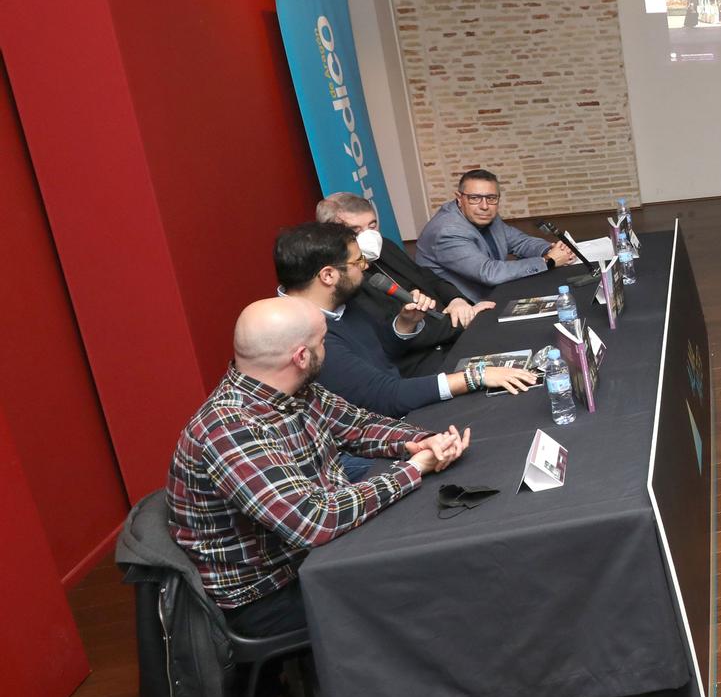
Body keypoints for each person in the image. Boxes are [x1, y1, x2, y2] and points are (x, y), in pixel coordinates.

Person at [168, 296, 473, 638]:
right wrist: (413, 469)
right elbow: (314, 521)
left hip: (317, 553)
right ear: (301, 357)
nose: (326, 348)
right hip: (269, 592)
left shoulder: (295, 390)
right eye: (322, 341)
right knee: (429, 585)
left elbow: (359, 426)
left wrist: (418, 441)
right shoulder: (229, 430)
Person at [276, 223, 537, 425]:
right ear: (329, 275)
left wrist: (404, 323)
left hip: (400, 409)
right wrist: (474, 377)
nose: (365, 267)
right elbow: (385, 396)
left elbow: (381, 354)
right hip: (381, 432)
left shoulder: (340, 303)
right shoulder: (304, 333)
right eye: (357, 262)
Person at [317, 193, 490, 358]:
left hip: (451, 330)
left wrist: (456, 300)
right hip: (425, 355)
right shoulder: (345, 278)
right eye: (356, 230)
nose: (369, 235)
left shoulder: (386, 247)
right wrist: (468, 318)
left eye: (372, 226)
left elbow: (427, 277)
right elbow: (396, 333)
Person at [415, 169, 577, 302]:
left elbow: (519, 242)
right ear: (459, 198)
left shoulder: (484, 214)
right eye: (475, 198)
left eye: (491, 198)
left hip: (493, 290)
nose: (484, 206)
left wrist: (551, 249)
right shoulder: (447, 231)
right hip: (464, 306)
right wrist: (548, 261)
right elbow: (488, 273)